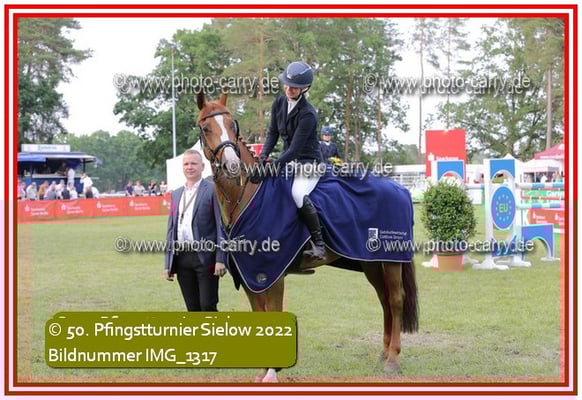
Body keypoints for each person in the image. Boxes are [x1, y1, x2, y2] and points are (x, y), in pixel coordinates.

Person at [255, 61, 326, 259]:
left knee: (297, 194)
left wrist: (272, 168)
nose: (288, 89)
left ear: (305, 88)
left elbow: (294, 150)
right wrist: (263, 157)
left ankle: (319, 244)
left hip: (309, 163)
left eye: (294, 87)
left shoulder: (308, 114)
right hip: (290, 161)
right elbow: (272, 133)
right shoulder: (279, 102)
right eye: (286, 84)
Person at [164, 149, 227, 312]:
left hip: (206, 258)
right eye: (186, 164)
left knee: (207, 306)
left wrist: (220, 259)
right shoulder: (176, 194)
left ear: (202, 166)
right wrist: (168, 263)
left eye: (193, 163)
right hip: (182, 258)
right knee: (192, 308)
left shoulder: (213, 190)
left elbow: (221, 226)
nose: (189, 167)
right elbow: (171, 229)